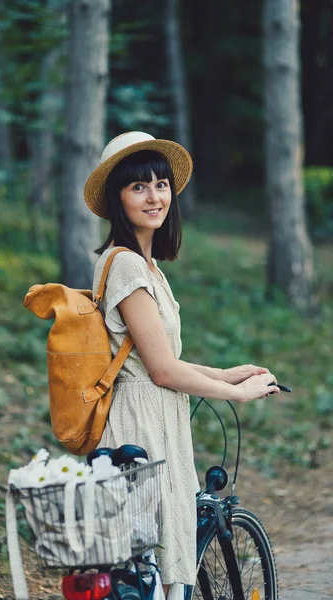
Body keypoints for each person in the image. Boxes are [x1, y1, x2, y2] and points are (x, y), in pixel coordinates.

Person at [84, 131, 279, 594]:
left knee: (157, 568)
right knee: (149, 571)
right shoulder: (127, 266)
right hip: (139, 430)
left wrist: (224, 372)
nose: (155, 197)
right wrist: (238, 392)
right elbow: (163, 372)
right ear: (117, 198)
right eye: (138, 187)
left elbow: (158, 357)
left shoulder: (147, 266)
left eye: (161, 184)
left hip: (159, 420)